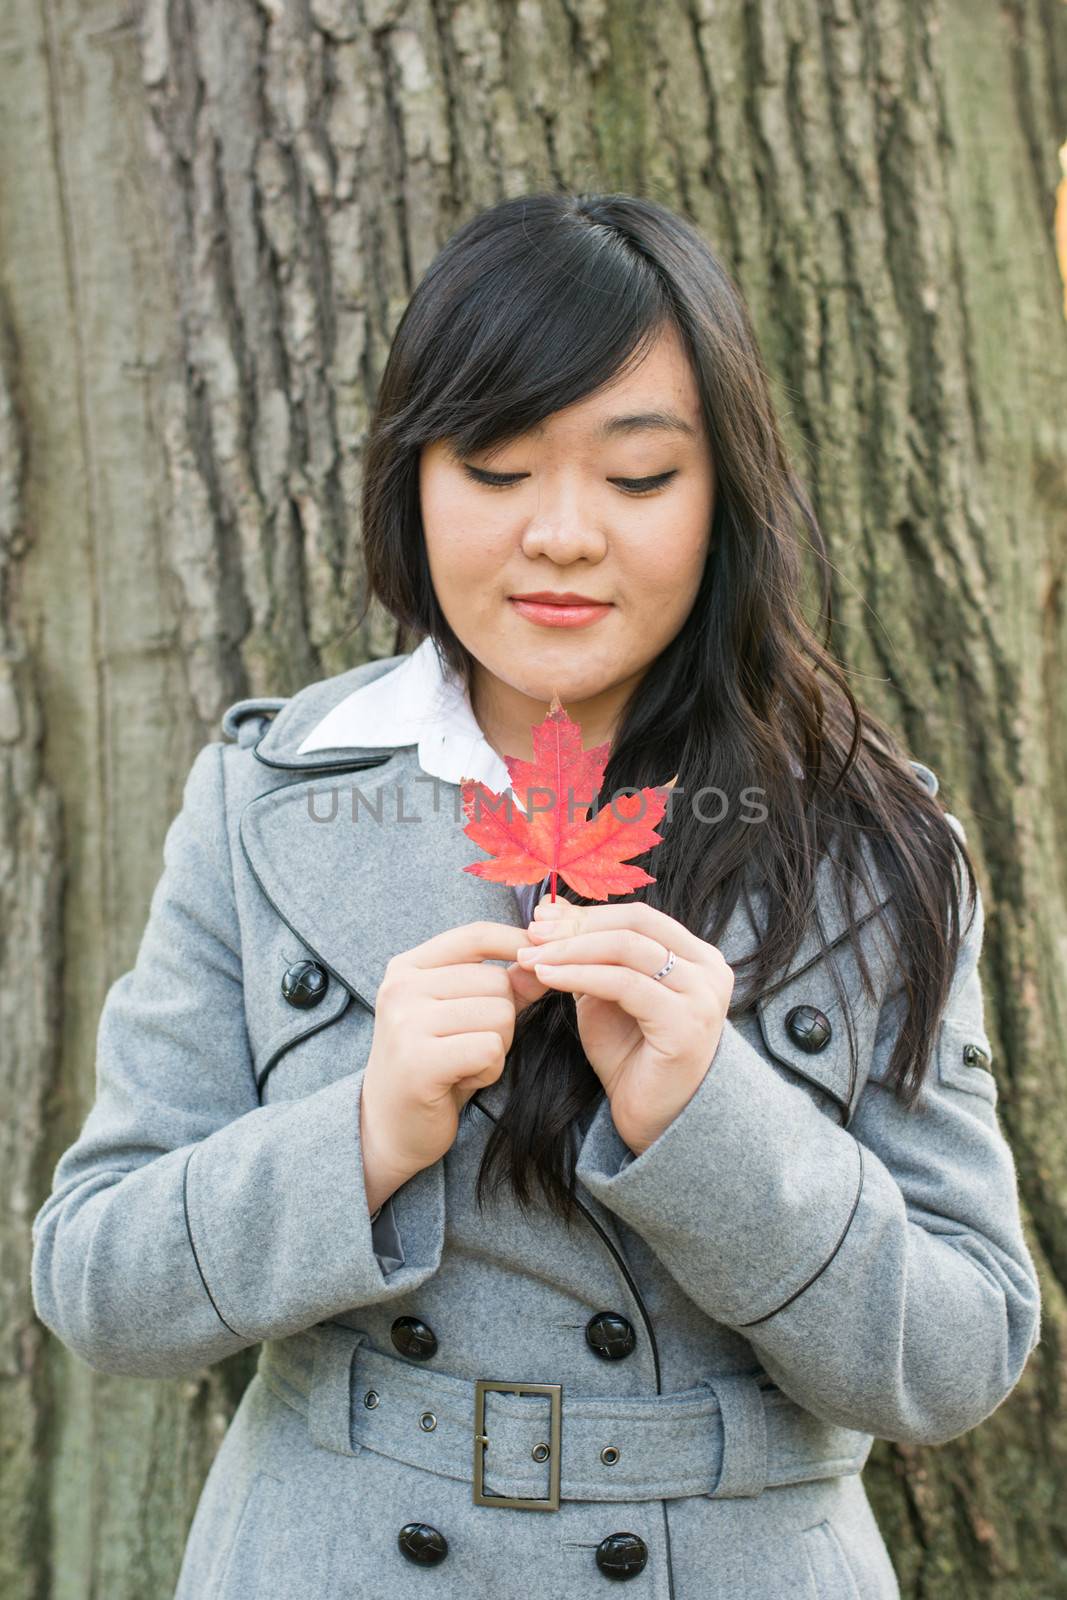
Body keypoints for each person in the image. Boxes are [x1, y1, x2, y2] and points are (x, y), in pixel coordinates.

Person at [30, 191, 1041, 1600]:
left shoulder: (869, 844)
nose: (561, 536)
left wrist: (714, 1125)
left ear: (726, 496)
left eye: (637, 479)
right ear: (412, 480)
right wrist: (365, 1136)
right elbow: (96, 1284)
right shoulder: (270, 800)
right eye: (498, 466)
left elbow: (963, 1352)